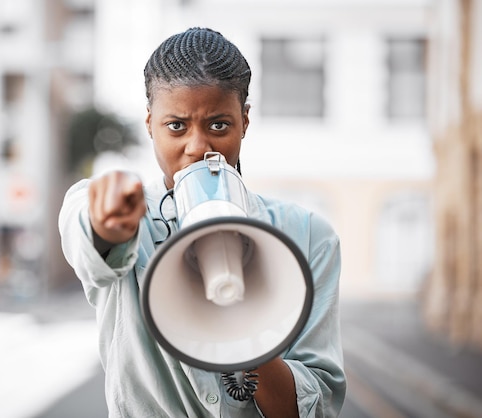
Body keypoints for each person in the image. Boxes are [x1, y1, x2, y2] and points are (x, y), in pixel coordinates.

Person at [59, 27, 346, 417]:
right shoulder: (125, 212)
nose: (197, 147)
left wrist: (245, 330)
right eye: (176, 126)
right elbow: (86, 234)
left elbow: (316, 407)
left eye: (218, 126)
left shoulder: (310, 236)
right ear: (150, 125)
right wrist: (107, 225)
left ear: (245, 121)